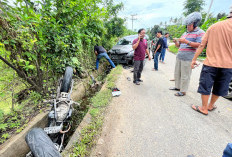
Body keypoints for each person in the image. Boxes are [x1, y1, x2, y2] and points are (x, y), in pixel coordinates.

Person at [191, 8, 232, 115]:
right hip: (228, 65)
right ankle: (210, 105)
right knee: (220, 86)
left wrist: (194, 59)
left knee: (206, 85)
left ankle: (204, 107)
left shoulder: (214, 26)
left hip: (211, 63)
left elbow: (202, 45)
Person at [169, 12, 205, 96]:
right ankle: (177, 87)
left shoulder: (200, 32)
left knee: (185, 75)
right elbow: (179, 46)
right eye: (187, 25)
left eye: (189, 25)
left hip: (188, 58)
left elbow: (200, 45)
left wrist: (186, 41)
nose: (187, 27)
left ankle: (183, 91)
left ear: (195, 24)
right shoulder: (185, 33)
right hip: (179, 56)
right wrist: (176, 42)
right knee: (177, 73)